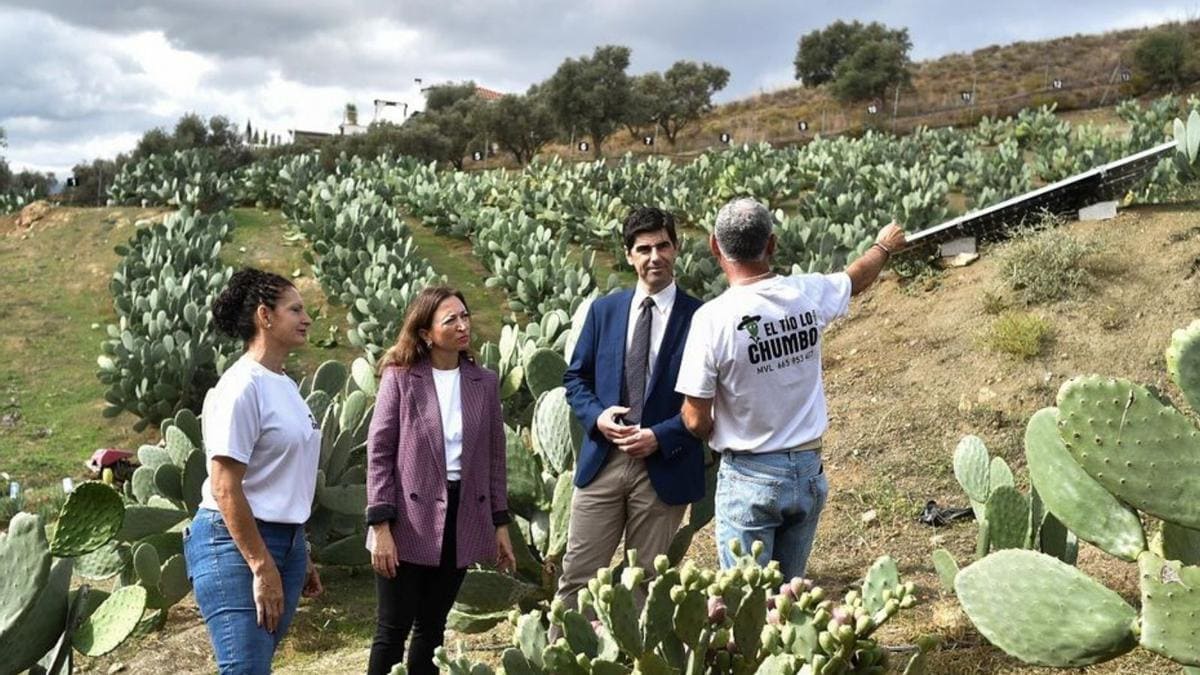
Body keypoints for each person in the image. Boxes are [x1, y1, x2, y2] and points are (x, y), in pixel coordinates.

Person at [676, 198, 906, 581]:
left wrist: (713, 432)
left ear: (715, 247)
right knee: (788, 599)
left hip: (749, 475)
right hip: (808, 471)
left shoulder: (712, 319)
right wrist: (883, 246)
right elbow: (856, 278)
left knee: (748, 604)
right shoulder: (807, 294)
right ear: (772, 244)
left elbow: (695, 416)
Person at [557, 207, 707, 618]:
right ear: (629, 255)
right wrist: (598, 417)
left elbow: (712, 399)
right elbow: (575, 380)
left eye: (662, 246)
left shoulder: (702, 318)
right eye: (643, 248)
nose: (654, 256)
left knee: (643, 583)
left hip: (664, 463)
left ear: (676, 249)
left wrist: (660, 435)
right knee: (578, 575)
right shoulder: (604, 312)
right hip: (603, 460)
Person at [365, 285, 516, 675]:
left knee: (432, 628)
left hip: (463, 514)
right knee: (392, 628)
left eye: (465, 316)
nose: (463, 325)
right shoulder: (400, 378)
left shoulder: (484, 383)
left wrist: (499, 523)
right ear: (426, 333)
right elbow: (379, 451)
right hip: (405, 520)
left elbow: (495, 458)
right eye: (451, 319)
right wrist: (380, 525)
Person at [184, 268, 324, 675]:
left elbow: (282, 478)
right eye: (295, 309)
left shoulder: (285, 385)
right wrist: (262, 565)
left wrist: (300, 552)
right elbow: (225, 488)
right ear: (265, 316)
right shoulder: (241, 386)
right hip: (233, 545)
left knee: (255, 666)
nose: (306, 318)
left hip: (285, 544)